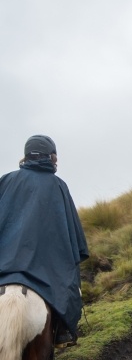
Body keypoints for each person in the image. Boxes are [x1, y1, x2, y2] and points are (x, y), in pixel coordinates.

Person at [0, 135, 89, 348]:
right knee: (69, 276)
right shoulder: (58, 186)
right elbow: (72, 236)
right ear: (51, 156)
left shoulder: (5, 180)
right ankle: (63, 330)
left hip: (4, 264)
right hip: (42, 266)